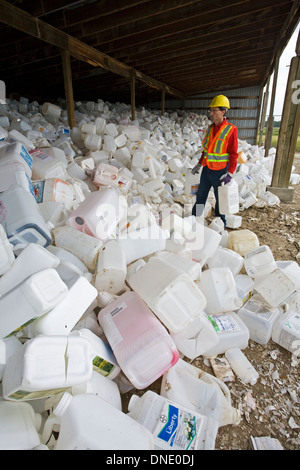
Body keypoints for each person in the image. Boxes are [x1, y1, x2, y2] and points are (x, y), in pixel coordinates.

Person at [191, 95, 238, 227]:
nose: (210, 113)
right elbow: (206, 151)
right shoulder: (210, 129)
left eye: (214, 110)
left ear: (223, 112)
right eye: (210, 110)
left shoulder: (231, 130)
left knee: (220, 200)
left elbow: (233, 154)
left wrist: (230, 173)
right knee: (200, 197)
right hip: (207, 170)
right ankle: (195, 219)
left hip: (220, 172)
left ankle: (220, 225)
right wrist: (200, 164)